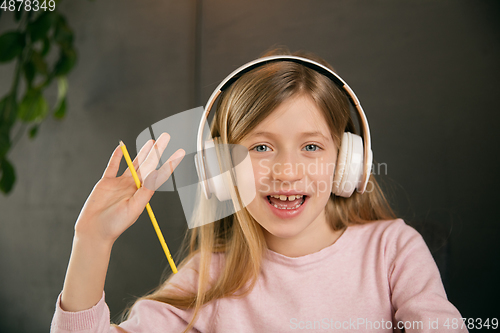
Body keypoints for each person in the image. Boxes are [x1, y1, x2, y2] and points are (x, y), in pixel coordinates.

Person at [50, 48, 467, 333]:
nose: (287, 172)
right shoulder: (208, 276)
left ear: (346, 162)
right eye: (262, 147)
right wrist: (91, 242)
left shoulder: (392, 250)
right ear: (221, 169)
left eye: (311, 147)